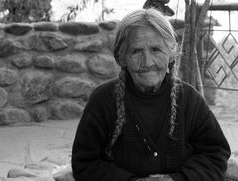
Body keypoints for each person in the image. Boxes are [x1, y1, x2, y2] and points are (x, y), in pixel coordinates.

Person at [72, 9, 231, 181]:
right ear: (121, 57)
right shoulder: (103, 100)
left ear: (171, 53)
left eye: (156, 50)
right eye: (136, 51)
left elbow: (215, 154)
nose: (147, 62)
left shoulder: (190, 100)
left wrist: (176, 180)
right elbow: (85, 163)